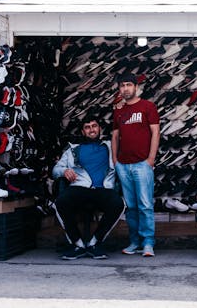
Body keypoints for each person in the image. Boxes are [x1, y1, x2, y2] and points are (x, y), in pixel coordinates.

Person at [53, 116, 125, 260]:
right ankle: (77, 244)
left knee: (119, 204)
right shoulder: (73, 149)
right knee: (60, 203)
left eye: (94, 126)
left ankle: (94, 243)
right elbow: (55, 170)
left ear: (99, 129)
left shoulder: (111, 146)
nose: (91, 129)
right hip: (80, 187)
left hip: (103, 188)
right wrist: (64, 171)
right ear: (83, 131)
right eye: (87, 127)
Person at [112, 73, 160, 257]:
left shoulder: (148, 106)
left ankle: (148, 242)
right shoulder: (119, 111)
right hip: (123, 165)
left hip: (142, 164)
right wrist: (115, 161)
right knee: (131, 207)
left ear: (136, 87)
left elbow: (155, 133)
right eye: (122, 85)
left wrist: (151, 159)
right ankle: (134, 242)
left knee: (145, 205)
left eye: (128, 85)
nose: (125, 88)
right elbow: (115, 136)